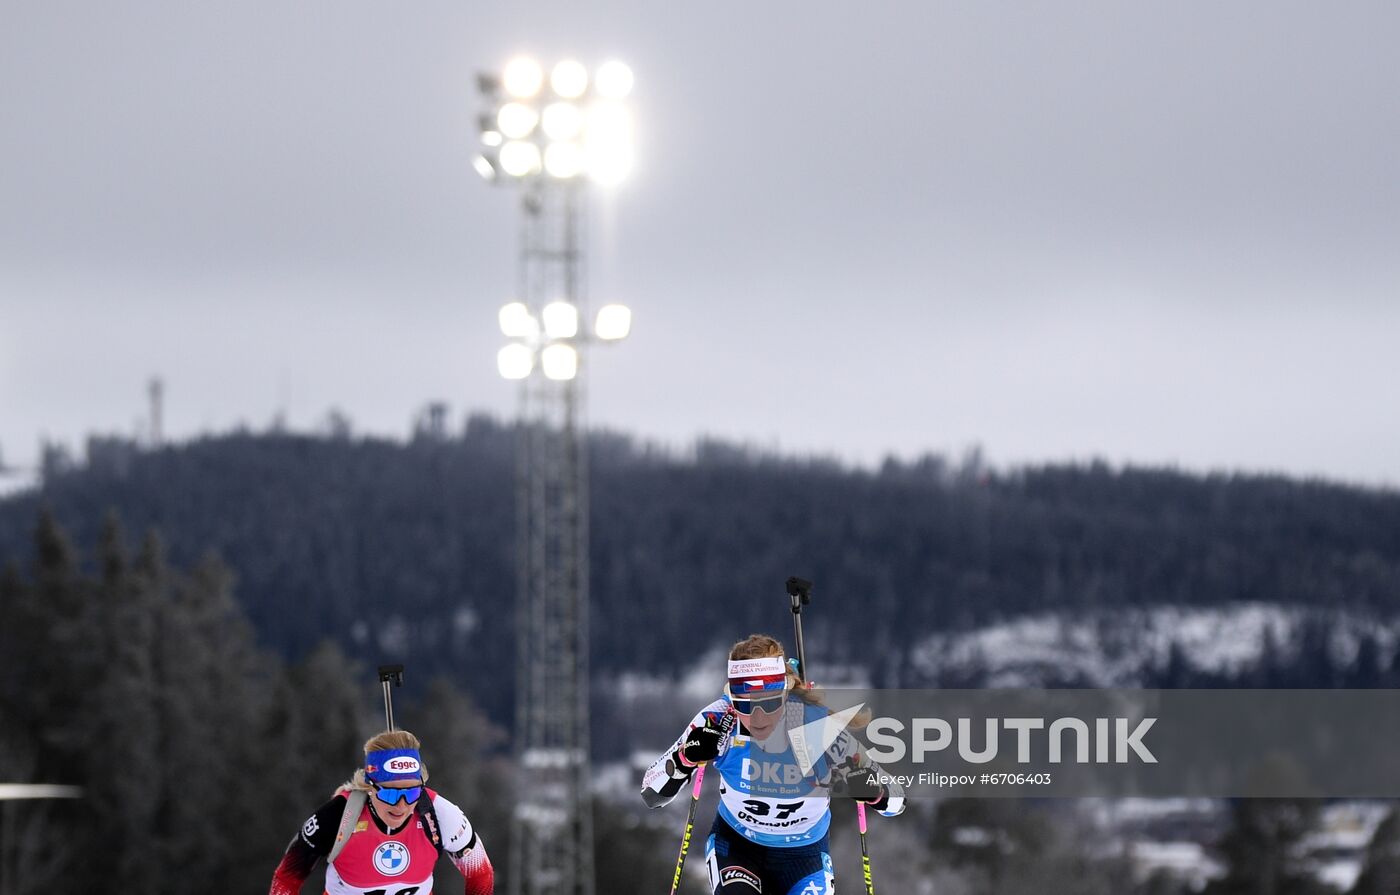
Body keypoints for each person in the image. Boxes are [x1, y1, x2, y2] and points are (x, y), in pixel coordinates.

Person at [642, 634, 904, 895]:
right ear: (731, 699)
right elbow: (651, 794)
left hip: (804, 858)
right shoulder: (718, 721)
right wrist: (684, 758)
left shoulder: (817, 728)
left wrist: (875, 792)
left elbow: (897, 801)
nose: (757, 718)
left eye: (768, 703)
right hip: (737, 848)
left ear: (785, 693)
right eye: (745, 705)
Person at [269, 729, 494, 895]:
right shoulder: (338, 815)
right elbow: (287, 877)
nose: (402, 805)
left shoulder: (439, 814)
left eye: (412, 793)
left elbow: (479, 872)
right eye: (390, 794)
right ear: (370, 788)